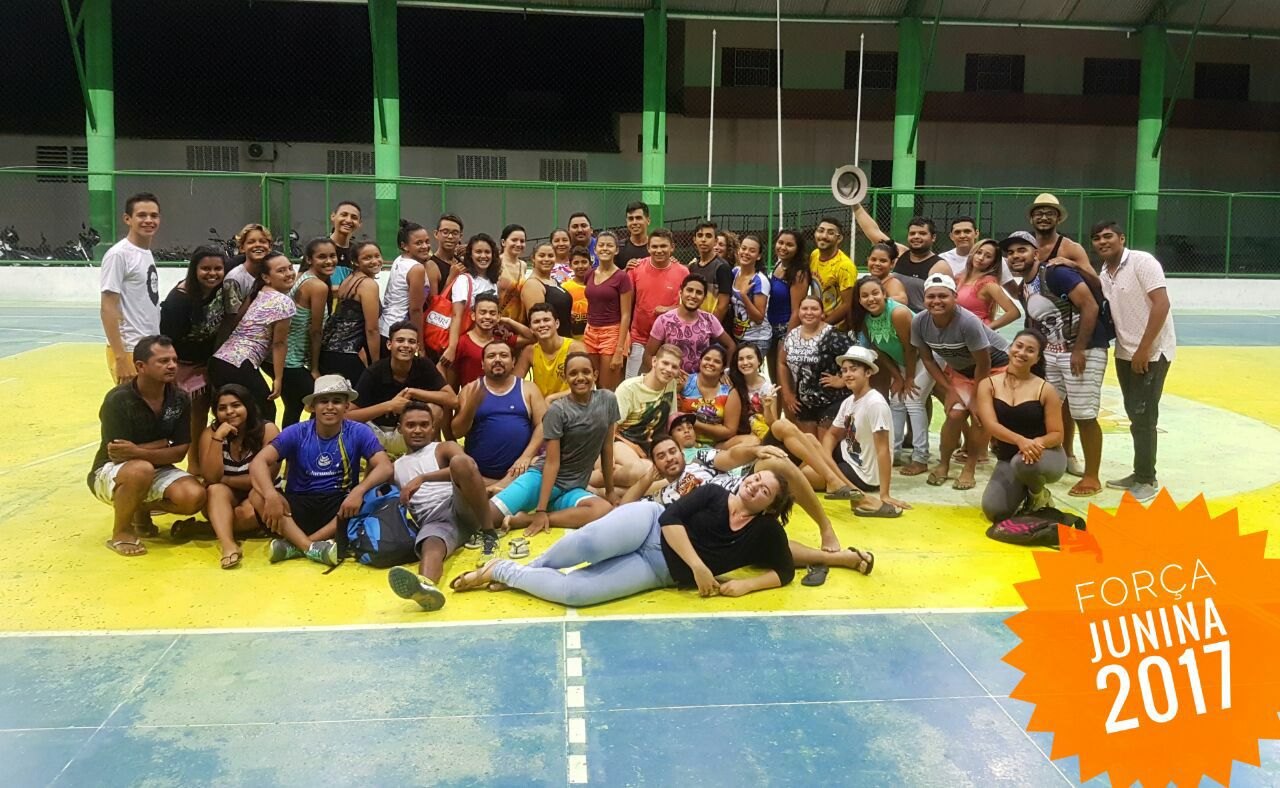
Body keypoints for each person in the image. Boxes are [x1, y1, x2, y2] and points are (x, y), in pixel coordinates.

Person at [449, 477, 795, 606]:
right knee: (590, 544)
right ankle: (531, 569)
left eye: (764, 490)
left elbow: (785, 571)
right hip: (648, 525)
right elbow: (670, 520)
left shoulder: (764, 531)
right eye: (756, 479)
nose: (754, 486)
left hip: (657, 571)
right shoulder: (714, 493)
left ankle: (504, 571)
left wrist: (746, 585)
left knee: (575, 594)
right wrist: (699, 567)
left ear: (770, 507)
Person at [1002, 230, 1109, 497]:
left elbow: (1090, 306)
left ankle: (1092, 476)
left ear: (1036, 253)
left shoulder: (1056, 274)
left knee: (1084, 414)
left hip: (1083, 350)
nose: (1015, 256)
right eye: (1010, 253)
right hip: (1052, 352)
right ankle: (1063, 458)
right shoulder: (1025, 286)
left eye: (1022, 250)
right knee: (1051, 408)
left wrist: (1079, 349)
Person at [249, 375, 392, 566]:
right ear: (313, 407)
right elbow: (258, 462)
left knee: (374, 494)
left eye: (337, 401)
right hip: (298, 504)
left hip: (340, 505)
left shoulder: (359, 431)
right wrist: (270, 495)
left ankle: (296, 545)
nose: (330, 407)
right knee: (256, 494)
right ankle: (310, 547)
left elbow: (385, 466)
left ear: (347, 406)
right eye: (324, 401)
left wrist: (359, 490)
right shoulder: (296, 431)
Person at [90, 335, 207, 557]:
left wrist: (138, 450)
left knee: (195, 496)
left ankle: (139, 508)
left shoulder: (180, 398)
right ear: (140, 366)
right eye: (163, 361)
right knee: (140, 469)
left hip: (154, 468)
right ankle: (121, 532)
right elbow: (118, 454)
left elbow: (180, 451)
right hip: (110, 471)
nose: (172, 365)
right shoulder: (118, 400)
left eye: (174, 360)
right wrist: (162, 444)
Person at [1091, 220, 1176, 502]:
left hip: (1151, 353)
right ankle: (1140, 472)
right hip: (1125, 352)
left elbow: (1162, 304)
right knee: (1134, 412)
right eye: (1096, 238)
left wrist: (1144, 349)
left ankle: (1146, 479)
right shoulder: (1105, 273)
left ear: (1122, 238)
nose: (1102, 242)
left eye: (1108, 236)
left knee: (1144, 415)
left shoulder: (1142, 262)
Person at [491, 352, 617, 538]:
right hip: (541, 479)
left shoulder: (608, 400)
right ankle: (528, 504)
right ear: (565, 378)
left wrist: (610, 491)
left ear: (595, 375)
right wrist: (540, 510)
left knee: (603, 509)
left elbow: (607, 448)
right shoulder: (557, 411)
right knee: (488, 518)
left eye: (586, 372)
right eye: (573, 373)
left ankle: (527, 519)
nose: (580, 377)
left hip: (572, 487)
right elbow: (551, 463)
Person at [385, 403, 494, 611]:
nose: (417, 430)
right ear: (400, 429)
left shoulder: (443, 447)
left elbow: (467, 466)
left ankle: (490, 534)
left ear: (433, 427)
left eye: (424, 425)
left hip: (460, 504)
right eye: (411, 425)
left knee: (459, 462)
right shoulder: (395, 467)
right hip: (434, 520)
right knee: (431, 547)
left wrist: (423, 478)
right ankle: (426, 588)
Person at [911, 273, 1011, 491]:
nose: (936, 301)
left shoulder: (968, 322)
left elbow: (984, 363)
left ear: (955, 297)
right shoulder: (919, 322)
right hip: (962, 370)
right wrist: (949, 389)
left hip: (994, 368)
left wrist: (976, 398)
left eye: (943, 296)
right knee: (955, 414)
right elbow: (927, 359)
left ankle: (970, 467)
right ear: (924, 299)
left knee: (979, 417)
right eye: (931, 296)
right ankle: (943, 464)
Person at [725, 344, 861, 499]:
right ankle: (834, 482)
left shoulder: (767, 387)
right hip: (746, 444)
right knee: (785, 428)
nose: (745, 362)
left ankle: (839, 483)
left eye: (749, 358)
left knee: (808, 438)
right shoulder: (729, 381)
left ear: (759, 361)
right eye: (741, 359)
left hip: (764, 439)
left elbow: (771, 423)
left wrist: (767, 408)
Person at [974, 330, 1067, 522]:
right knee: (994, 511)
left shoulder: (1045, 389)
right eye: (1019, 346)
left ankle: (1038, 495)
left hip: (1045, 454)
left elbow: (1057, 434)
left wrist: (1036, 443)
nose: (1022, 352)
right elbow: (990, 425)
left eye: (1030, 350)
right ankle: (1022, 487)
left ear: (1037, 359)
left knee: (1023, 463)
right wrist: (1020, 441)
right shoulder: (988, 384)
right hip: (1009, 456)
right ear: (1010, 348)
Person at [848, 275, 930, 476]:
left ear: (884, 294)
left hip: (925, 358)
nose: (871, 299)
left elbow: (911, 348)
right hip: (902, 363)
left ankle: (921, 457)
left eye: (875, 293)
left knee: (913, 399)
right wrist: (898, 377)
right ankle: (894, 452)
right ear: (859, 300)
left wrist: (908, 378)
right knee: (896, 401)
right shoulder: (865, 319)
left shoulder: (898, 313)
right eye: (865, 296)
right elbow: (878, 350)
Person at [160, 246, 228, 472]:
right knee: (185, 416)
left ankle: (200, 461)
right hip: (182, 365)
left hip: (206, 362)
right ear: (194, 269)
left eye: (218, 268)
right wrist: (170, 372)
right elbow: (166, 339)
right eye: (205, 268)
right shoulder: (178, 301)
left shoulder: (220, 290)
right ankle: (185, 463)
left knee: (203, 413)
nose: (212, 274)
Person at [198, 383, 281, 568]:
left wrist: (226, 479)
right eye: (222, 408)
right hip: (225, 496)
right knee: (215, 490)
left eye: (236, 405)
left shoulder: (267, 430)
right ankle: (229, 546)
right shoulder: (211, 433)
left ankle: (212, 528)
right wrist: (218, 438)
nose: (229, 412)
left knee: (245, 513)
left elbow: (265, 478)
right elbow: (211, 478)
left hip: (259, 493)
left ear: (248, 406)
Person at [208, 253, 296, 421]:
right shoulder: (284, 302)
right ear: (266, 277)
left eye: (290, 268)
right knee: (265, 414)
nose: (289, 274)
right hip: (239, 364)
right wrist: (278, 379)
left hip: (219, 361)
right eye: (281, 271)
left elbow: (236, 322)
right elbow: (279, 344)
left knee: (234, 417)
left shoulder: (258, 292)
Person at [348, 321, 458, 455]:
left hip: (406, 433)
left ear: (417, 347)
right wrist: (389, 406)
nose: (406, 345)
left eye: (411, 342)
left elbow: (453, 400)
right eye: (400, 340)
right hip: (375, 434)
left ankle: (421, 456)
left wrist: (412, 392)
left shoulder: (424, 365)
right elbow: (347, 416)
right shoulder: (375, 371)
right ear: (389, 344)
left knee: (435, 409)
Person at [824, 348, 911, 517]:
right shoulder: (849, 401)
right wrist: (826, 458)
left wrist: (884, 494)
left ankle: (851, 490)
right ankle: (837, 480)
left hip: (862, 473)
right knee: (808, 443)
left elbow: (883, 450)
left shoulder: (875, 403)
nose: (848, 374)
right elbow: (832, 434)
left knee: (802, 475)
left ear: (868, 373)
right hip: (846, 456)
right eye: (844, 370)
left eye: (853, 369)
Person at [451, 340, 547, 492]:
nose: (497, 359)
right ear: (482, 363)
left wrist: (527, 456)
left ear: (513, 361)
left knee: (542, 462)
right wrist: (470, 408)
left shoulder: (528, 388)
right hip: (479, 475)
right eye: (491, 356)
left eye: (503, 355)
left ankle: (497, 489)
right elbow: (457, 432)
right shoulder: (470, 389)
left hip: (520, 472)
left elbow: (543, 425)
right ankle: (498, 489)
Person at [100, 192, 161, 384]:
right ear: (127, 219)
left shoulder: (145, 253)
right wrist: (121, 358)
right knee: (132, 403)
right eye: (142, 215)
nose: (149, 220)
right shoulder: (118, 255)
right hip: (129, 350)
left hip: (149, 347)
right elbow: (108, 307)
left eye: (154, 215)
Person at [779, 295, 853, 438]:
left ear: (822, 313)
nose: (809, 312)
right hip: (803, 402)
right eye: (805, 308)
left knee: (824, 446)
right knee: (809, 445)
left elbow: (857, 362)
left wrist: (842, 380)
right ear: (799, 312)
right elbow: (782, 363)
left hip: (831, 400)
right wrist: (787, 393)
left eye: (814, 309)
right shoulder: (793, 335)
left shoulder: (834, 336)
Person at [281, 238, 337, 427]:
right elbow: (315, 331)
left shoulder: (303, 276)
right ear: (309, 259)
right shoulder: (317, 286)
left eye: (332, 256)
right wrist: (314, 368)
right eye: (322, 257)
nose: (329, 261)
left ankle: (289, 445)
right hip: (293, 361)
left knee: (293, 409)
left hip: (286, 359)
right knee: (326, 403)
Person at [610, 343, 683, 486]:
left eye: (674, 367)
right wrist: (631, 447)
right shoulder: (629, 388)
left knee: (668, 476)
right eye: (665, 363)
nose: (669, 370)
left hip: (651, 446)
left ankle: (607, 492)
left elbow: (671, 420)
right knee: (646, 473)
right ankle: (598, 484)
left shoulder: (671, 384)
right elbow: (610, 428)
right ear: (654, 361)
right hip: (622, 441)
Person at [319, 240, 383, 388]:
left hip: (329, 351)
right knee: (362, 397)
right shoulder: (368, 284)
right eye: (367, 258)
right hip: (344, 354)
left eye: (377, 256)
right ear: (355, 261)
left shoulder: (349, 279)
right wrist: (377, 365)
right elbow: (372, 330)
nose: (374, 261)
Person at [625, 229, 689, 376]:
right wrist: (626, 336)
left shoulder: (683, 272)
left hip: (669, 340)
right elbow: (626, 305)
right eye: (654, 246)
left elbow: (688, 306)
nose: (659, 250)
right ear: (648, 248)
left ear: (672, 247)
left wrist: (669, 309)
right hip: (639, 338)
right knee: (631, 382)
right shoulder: (636, 268)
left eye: (663, 246)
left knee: (667, 382)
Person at [644, 274, 735, 374]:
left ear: (704, 298)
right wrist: (659, 375)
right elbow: (648, 355)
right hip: (670, 378)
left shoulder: (709, 320)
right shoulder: (664, 320)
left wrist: (725, 372)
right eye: (689, 290)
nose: (693, 296)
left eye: (699, 293)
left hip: (699, 381)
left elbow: (731, 345)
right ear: (681, 292)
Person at [441, 233, 501, 371]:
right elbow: (456, 315)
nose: (483, 256)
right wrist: (452, 348)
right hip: (463, 342)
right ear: (471, 255)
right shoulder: (464, 280)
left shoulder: (493, 283)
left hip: (482, 343)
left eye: (487, 252)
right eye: (478, 252)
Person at [584, 230, 633, 390]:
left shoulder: (622, 277)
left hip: (612, 334)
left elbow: (626, 314)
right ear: (595, 249)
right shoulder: (589, 274)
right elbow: (592, 302)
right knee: (592, 383)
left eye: (609, 245)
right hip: (591, 333)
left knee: (607, 388)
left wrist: (620, 349)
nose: (605, 248)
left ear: (616, 250)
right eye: (601, 245)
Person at [677, 345, 752, 449]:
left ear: (723, 368)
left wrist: (694, 422)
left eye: (717, 361)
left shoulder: (729, 392)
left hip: (717, 446)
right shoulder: (685, 382)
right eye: (707, 359)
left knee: (752, 440)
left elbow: (730, 431)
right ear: (700, 361)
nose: (710, 363)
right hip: (684, 443)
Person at [854, 207, 943, 287]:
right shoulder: (901, 253)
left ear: (933, 237)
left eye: (922, 233)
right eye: (912, 233)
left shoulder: (939, 266)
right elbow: (873, 231)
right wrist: (855, 205)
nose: (916, 236)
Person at [379, 220, 431, 352]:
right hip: (400, 333)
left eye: (427, 241)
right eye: (418, 243)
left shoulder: (399, 260)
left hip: (384, 329)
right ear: (404, 246)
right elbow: (415, 310)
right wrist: (420, 346)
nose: (425, 246)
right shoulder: (416, 268)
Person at [515, 303, 586, 398]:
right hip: (541, 404)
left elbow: (586, 385)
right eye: (536, 322)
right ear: (531, 329)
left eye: (546, 320)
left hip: (571, 402)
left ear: (557, 324)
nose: (542, 325)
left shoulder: (575, 348)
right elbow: (514, 384)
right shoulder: (530, 351)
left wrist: (551, 399)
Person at [767, 229, 809, 381]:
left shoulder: (799, 273)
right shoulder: (779, 264)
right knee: (773, 379)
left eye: (789, 245)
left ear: (798, 249)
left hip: (786, 329)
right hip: (771, 327)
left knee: (783, 379)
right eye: (780, 243)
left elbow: (796, 311)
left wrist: (788, 340)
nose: (783, 247)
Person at [954, 238, 1021, 329]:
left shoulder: (989, 284)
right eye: (979, 252)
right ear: (973, 253)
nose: (981, 258)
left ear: (993, 262)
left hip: (976, 333)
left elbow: (1014, 312)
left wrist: (986, 329)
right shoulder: (959, 278)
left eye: (988, 256)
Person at [807, 217, 857, 329]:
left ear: (839, 239)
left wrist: (823, 327)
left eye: (830, 233)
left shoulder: (845, 266)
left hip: (835, 329)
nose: (824, 236)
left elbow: (847, 304)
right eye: (820, 231)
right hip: (816, 321)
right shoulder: (814, 255)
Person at [1027, 193, 1094, 276]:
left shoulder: (1072, 249)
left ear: (1058, 219)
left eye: (1050, 214)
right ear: (1031, 219)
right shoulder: (1023, 247)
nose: (1044, 218)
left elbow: (1096, 282)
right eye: (1038, 214)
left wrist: (1074, 266)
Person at [938, 216, 1015, 286]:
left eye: (967, 231)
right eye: (957, 232)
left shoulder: (994, 259)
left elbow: (1012, 289)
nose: (962, 236)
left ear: (976, 233)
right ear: (951, 236)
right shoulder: (942, 259)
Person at [731, 234, 772, 363]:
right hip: (738, 336)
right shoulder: (735, 272)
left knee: (747, 373)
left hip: (757, 339)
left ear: (758, 256)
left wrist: (744, 296)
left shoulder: (759, 280)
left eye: (752, 250)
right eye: (743, 248)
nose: (746, 253)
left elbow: (759, 318)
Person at [521, 242, 575, 339]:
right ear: (533, 258)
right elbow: (538, 325)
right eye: (542, 255)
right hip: (551, 344)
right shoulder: (533, 285)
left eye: (550, 256)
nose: (546, 259)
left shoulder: (553, 280)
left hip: (565, 340)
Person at [687, 221, 733, 330]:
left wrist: (708, 330)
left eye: (708, 236)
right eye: (700, 235)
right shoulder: (692, 267)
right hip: (694, 327)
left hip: (714, 330)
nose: (703, 239)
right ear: (694, 240)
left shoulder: (722, 267)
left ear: (715, 241)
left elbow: (722, 306)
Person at [222, 224, 274, 317]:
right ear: (242, 248)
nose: (258, 245)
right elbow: (231, 320)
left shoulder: (275, 273)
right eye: (251, 242)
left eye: (262, 241)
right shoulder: (234, 279)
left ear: (270, 247)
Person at [862, 242, 915, 310]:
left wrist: (880, 299)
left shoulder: (893, 282)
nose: (877, 263)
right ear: (868, 260)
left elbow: (903, 300)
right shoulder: (866, 281)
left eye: (883, 261)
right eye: (873, 259)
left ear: (892, 263)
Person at [496, 223, 528, 325]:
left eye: (522, 241)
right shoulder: (496, 263)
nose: (518, 244)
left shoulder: (523, 265)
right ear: (503, 242)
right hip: (498, 321)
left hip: (519, 323)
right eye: (514, 240)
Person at [328, 200, 363, 285]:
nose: (348, 220)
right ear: (333, 216)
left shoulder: (359, 252)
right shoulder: (318, 247)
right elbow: (301, 282)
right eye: (344, 215)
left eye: (354, 217)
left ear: (359, 223)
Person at [428, 213, 464, 291]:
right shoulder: (431, 265)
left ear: (460, 236)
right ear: (436, 234)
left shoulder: (461, 261)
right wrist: (451, 278)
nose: (450, 236)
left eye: (455, 233)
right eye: (445, 232)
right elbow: (433, 299)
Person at [562, 246, 591, 339]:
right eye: (576, 263)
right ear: (570, 265)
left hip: (594, 336)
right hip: (573, 338)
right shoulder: (565, 287)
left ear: (590, 264)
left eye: (584, 262)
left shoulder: (597, 286)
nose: (580, 266)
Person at [617, 201, 651, 267]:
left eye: (638, 218)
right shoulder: (619, 248)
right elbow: (610, 273)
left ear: (648, 221)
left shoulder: (657, 248)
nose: (634, 222)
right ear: (627, 221)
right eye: (631, 219)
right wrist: (625, 270)